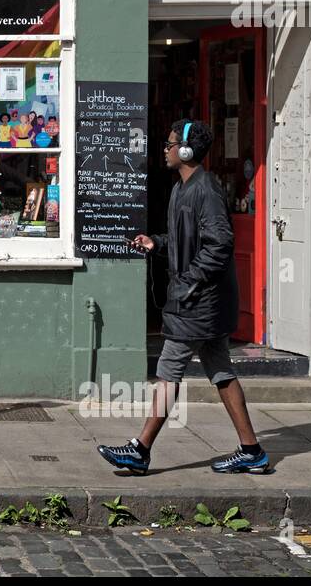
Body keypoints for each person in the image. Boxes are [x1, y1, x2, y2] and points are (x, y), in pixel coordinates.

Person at [97, 119, 270, 475]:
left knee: (168, 369)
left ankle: (140, 450)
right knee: (220, 370)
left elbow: (220, 244)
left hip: (198, 301)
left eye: (171, 143)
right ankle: (252, 451)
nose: (165, 148)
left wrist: (189, 281)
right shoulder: (182, 188)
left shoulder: (205, 191)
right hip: (199, 299)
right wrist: (156, 243)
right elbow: (184, 241)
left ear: (187, 151)